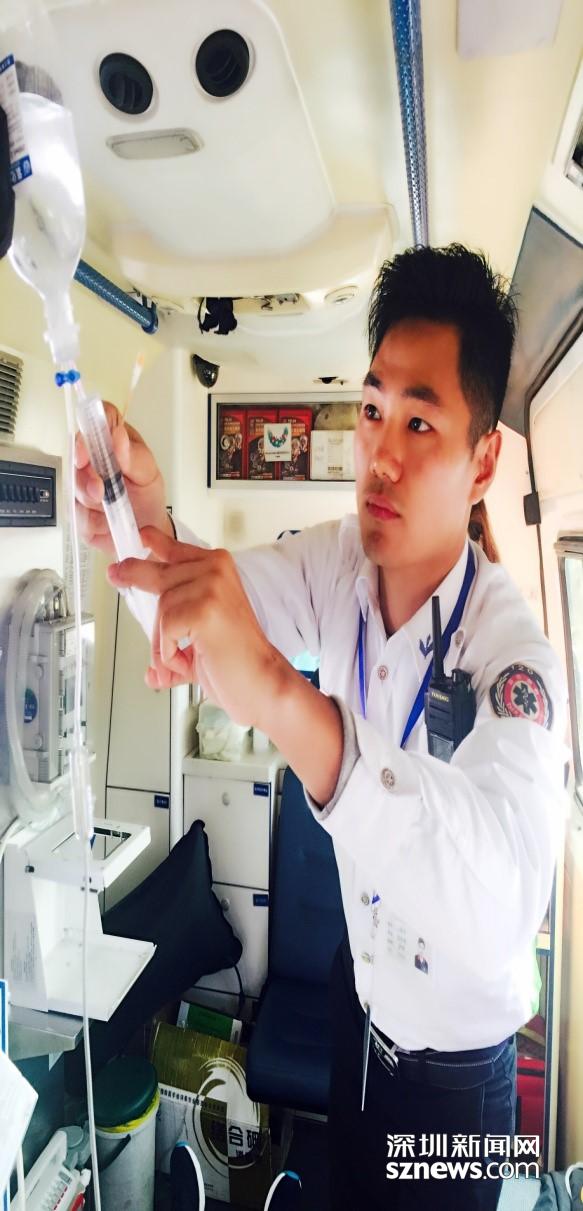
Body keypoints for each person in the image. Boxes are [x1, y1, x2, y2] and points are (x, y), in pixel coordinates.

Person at [75, 245, 566, 1210]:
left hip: (455, 1081)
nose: (378, 454)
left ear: (481, 461)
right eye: (372, 409)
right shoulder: (337, 565)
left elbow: (498, 909)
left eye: (418, 421)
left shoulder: (514, 662)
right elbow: (208, 611)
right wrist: (141, 522)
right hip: (359, 1006)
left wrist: (286, 700)